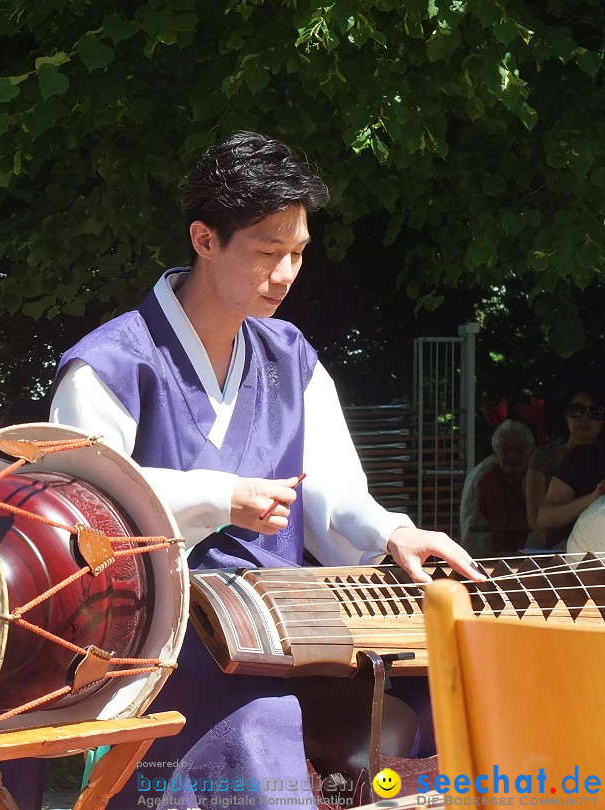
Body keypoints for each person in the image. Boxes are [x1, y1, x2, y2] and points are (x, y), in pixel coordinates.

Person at [50, 131, 483, 809]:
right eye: (266, 252)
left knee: (435, 689)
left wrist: (391, 532)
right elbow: (84, 515)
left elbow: (335, 490)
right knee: (262, 723)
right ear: (204, 238)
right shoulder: (110, 365)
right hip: (165, 633)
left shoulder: (291, 356)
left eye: (297, 254)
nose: (284, 274)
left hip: (287, 624)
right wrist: (218, 497)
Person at [526, 382, 605, 547]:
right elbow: (539, 519)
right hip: (550, 549)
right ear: (565, 415)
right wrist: (558, 547)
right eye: (577, 410)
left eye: (596, 412)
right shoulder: (544, 456)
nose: (585, 418)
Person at [459, 419, 534, 556]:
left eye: (520, 449)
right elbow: (477, 531)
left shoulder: (540, 476)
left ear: (530, 449)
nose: (512, 455)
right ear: (495, 451)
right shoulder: (484, 480)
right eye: (505, 449)